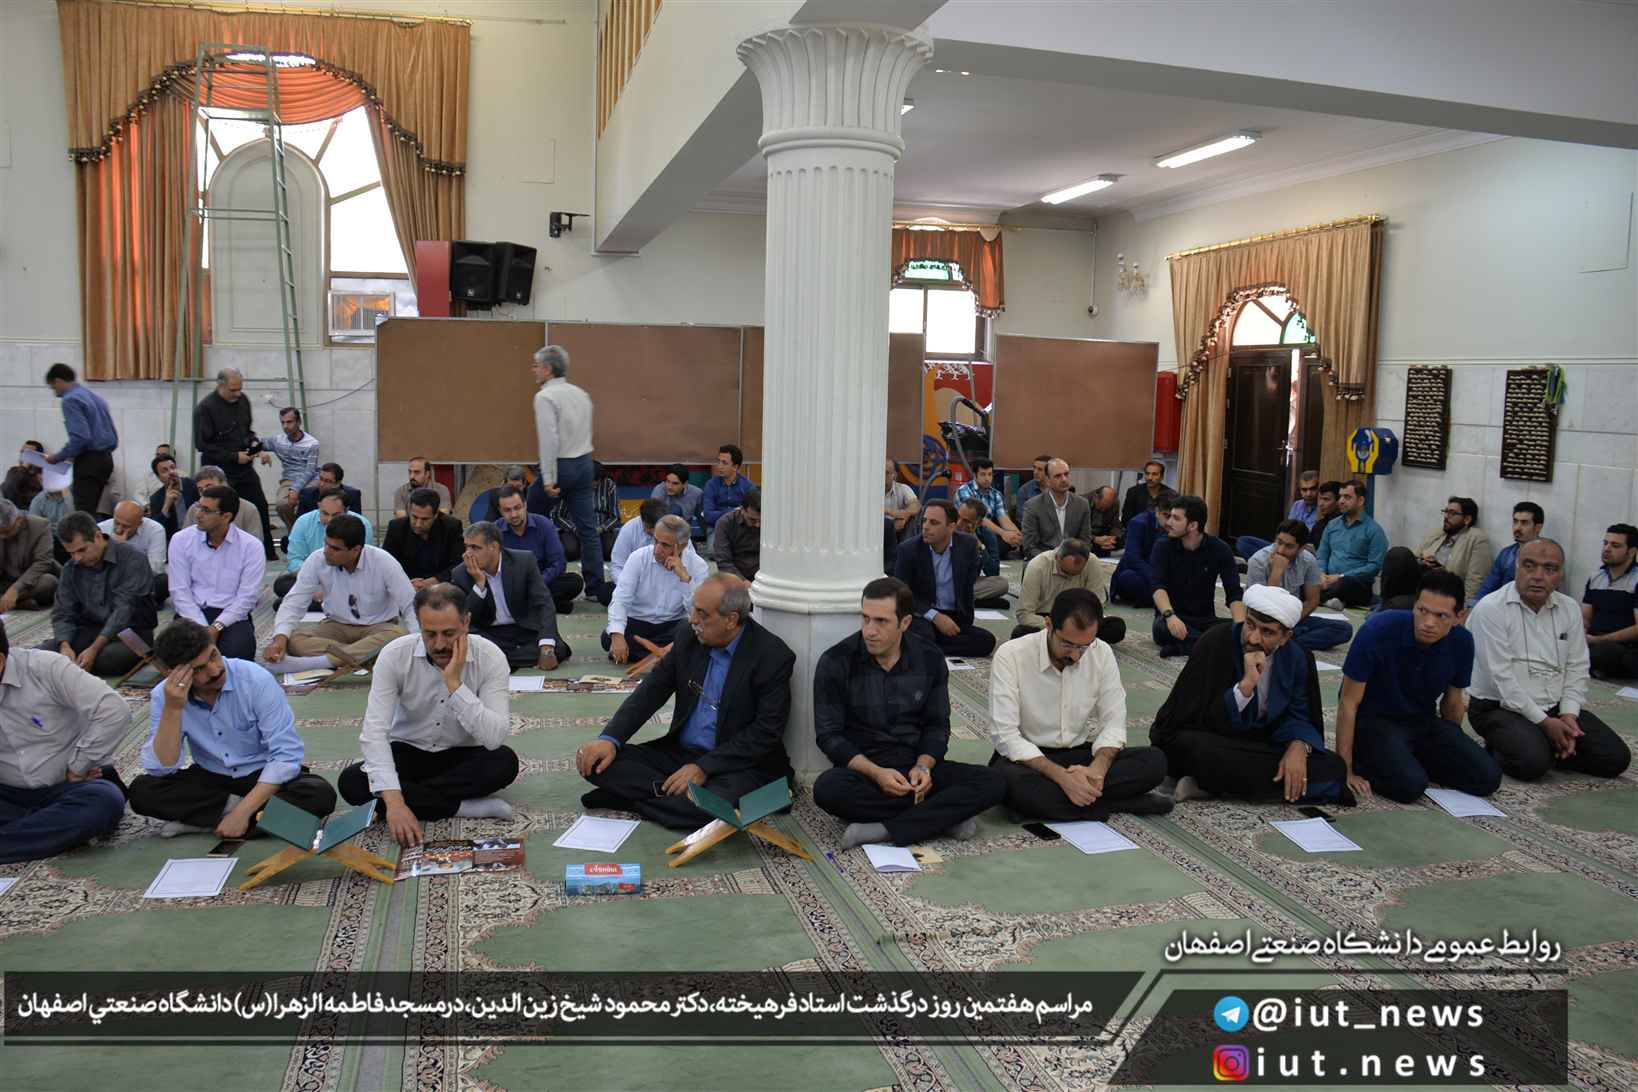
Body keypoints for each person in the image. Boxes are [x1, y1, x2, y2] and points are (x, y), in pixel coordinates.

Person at [578, 574, 795, 828]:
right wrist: (610, 739)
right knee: (595, 761)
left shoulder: (772, 655)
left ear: (731, 620)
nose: (693, 619)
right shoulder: (688, 637)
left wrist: (704, 768)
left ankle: (637, 798)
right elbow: (651, 692)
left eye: (702, 614)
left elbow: (765, 732)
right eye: (694, 609)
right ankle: (669, 795)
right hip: (680, 755)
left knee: (711, 807)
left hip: (738, 765)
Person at [813, 577, 1006, 847]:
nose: (869, 631)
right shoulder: (836, 661)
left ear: (904, 623)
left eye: (881, 621)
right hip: (866, 771)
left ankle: (886, 829)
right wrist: (877, 773)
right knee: (827, 789)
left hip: (916, 765)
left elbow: (937, 725)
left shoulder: (929, 657)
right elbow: (829, 736)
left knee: (994, 781)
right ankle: (942, 817)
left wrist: (923, 766)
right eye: (865, 619)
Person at [338, 583, 520, 844]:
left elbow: (493, 738)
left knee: (504, 762)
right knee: (352, 781)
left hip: (462, 754)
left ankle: (416, 799)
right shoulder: (394, 655)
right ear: (418, 624)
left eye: (449, 633)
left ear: (466, 622)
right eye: (430, 634)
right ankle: (461, 807)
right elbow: (374, 733)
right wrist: (395, 804)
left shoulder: (490, 657)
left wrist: (454, 684)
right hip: (409, 750)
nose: (440, 644)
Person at [128, 619, 336, 837]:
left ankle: (210, 820)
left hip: (260, 775)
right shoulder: (165, 696)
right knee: (143, 791)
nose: (215, 670)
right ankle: (252, 821)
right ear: (174, 673)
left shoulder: (255, 679)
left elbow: (285, 756)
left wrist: (242, 812)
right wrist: (173, 709)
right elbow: (161, 768)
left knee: (318, 795)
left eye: (213, 655)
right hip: (211, 777)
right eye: (199, 669)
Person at [1152, 585, 1350, 805]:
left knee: (1333, 766)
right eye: (1250, 625)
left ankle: (1214, 786)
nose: (1254, 638)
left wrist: (1299, 745)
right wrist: (1245, 687)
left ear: (1285, 637)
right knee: (1198, 751)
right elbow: (1190, 718)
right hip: (1213, 739)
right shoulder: (1216, 642)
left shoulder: (1297, 657)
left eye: (1267, 632)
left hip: (1260, 745)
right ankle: (1231, 783)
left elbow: (1300, 713)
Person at [988, 589, 1169, 820]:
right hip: (1029, 760)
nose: (1076, 656)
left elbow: (1113, 722)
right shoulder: (1011, 655)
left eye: (1084, 646)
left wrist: (1097, 770)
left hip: (1078, 755)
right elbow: (1006, 736)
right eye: (1067, 644)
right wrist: (1062, 778)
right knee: (1006, 783)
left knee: (1154, 761)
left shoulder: (1101, 652)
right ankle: (1119, 802)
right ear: (1049, 624)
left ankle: (1060, 803)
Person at [1468, 539, 1630, 782]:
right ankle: (1514, 746)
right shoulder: (1491, 609)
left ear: (1560, 574)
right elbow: (1501, 679)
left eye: (1550, 569)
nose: (1538, 576)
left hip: (1553, 705)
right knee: (1532, 764)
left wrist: (1569, 716)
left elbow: (1577, 666)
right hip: (1498, 706)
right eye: (1529, 566)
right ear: (1516, 567)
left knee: (1615, 758)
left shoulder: (1569, 609)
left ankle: (1547, 745)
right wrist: (1544, 723)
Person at [1334, 569, 1501, 803]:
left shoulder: (1462, 641)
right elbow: (1348, 703)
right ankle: (1375, 759)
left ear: (1459, 617)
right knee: (1411, 786)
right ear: (1414, 606)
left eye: (1441, 616)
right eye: (1423, 611)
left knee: (1488, 777)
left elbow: (1453, 702)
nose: (1428, 623)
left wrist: (1451, 745)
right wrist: (1345, 768)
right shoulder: (1378, 630)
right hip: (1374, 721)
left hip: (1421, 720)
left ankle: (1404, 759)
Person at [0, 618, 130, 863]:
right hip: (8, 794)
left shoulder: (44, 668)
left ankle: (20, 835)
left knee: (104, 800)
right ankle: (37, 831)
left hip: (68, 787)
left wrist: (79, 765)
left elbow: (114, 710)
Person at [266, 514, 417, 670]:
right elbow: (294, 602)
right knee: (293, 640)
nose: (327, 551)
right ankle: (364, 656)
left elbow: (409, 605)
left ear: (356, 550)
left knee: (399, 637)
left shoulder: (383, 561)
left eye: (335, 549)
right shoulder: (317, 559)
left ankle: (319, 662)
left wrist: (418, 643)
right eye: (326, 544)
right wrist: (279, 638)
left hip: (378, 627)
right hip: (337, 625)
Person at [532, 344, 606, 600]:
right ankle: (595, 588)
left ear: (548, 369)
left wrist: (549, 478)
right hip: (585, 463)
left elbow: (549, 440)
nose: (534, 370)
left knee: (530, 521)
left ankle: (531, 577)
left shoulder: (544, 397)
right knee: (588, 529)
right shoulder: (581, 394)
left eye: (536, 366)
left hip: (560, 466)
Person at [49, 511, 158, 677]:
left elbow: (124, 610)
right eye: (71, 553)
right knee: (44, 654)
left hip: (132, 632)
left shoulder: (133, 559)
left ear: (98, 537)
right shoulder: (71, 568)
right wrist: (65, 645)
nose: (77, 558)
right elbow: (63, 611)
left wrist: (94, 649)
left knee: (107, 660)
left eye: (81, 550)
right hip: (90, 630)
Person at [449, 521, 569, 669]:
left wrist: (546, 648)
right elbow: (466, 617)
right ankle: (509, 658)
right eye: (466, 546)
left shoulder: (523, 561)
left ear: (494, 546)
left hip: (524, 627)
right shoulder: (460, 573)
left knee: (557, 649)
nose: (468, 554)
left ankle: (499, 660)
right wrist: (479, 584)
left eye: (475, 547)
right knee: (468, 646)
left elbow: (544, 603)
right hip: (489, 633)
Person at [166, 486, 265, 662]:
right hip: (191, 613)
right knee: (179, 657)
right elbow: (179, 591)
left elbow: (247, 597)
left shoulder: (251, 546)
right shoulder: (181, 540)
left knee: (237, 657)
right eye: (198, 507)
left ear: (226, 516)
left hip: (232, 616)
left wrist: (216, 627)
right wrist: (203, 628)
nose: (198, 515)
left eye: (206, 510)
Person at [894, 500, 998, 659]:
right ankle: (928, 645)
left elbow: (969, 584)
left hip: (954, 615)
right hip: (922, 615)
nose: (925, 527)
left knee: (986, 641)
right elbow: (902, 595)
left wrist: (960, 619)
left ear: (951, 527)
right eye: (924, 520)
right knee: (923, 633)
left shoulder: (967, 545)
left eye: (934, 523)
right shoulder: (908, 549)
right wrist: (935, 616)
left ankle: (928, 647)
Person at [193, 368, 276, 555]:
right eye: (233, 390)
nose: (237, 393)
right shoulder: (205, 408)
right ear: (220, 385)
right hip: (219, 470)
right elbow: (202, 444)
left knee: (260, 506)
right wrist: (233, 456)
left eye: (240, 389)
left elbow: (247, 432)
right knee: (222, 510)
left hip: (244, 468)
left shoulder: (242, 400)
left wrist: (257, 448)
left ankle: (265, 551)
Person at [603, 515, 708, 662]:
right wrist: (617, 636)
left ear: (682, 546)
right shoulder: (638, 558)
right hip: (638, 622)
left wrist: (685, 580)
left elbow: (698, 613)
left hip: (672, 625)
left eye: (665, 545)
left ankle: (658, 655)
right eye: (656, 541)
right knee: (609, 637)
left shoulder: (698, 565)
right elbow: (621, 599)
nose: (657, 550)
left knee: (693, 632)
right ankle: (669, 656)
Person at [1151, 494, 1244, 656]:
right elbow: (1157, 587)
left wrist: (1240, 628)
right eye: (1169, 516)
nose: (1168, 522)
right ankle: (1211, 646)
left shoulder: (1220, 549)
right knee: (1160, 628)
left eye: (1176, 518)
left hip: (1206, 620)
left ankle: (1187, 647)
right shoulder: (1162, 546)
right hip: (1172, 617)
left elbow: (1234, 593)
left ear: (1193, 525)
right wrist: (1170, 616)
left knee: (1239, 629)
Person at [1244, 520, 1352, 651]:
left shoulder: (1308, 560)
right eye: (1279, 542)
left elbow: (1313, 600)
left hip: (1293, 619)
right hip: (1262, 622)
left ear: (1301, 548)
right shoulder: (1258, 561)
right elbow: (1260, 608)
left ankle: (1287, 642)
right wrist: (1277, 572)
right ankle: (1285, 642)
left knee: (1344, 629)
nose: (1281, 550)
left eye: (1289, 546)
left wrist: (1290, 622)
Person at [1013, 538, 1125, 645]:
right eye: (1065, 572)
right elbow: (1024, 613)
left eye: (1075, 574)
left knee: (1116, 628)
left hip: (1079, 617)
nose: (1069, 577)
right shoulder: (1037, 566)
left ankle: (1064, 639)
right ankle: (1076, 638)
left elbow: (1096, 604)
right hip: (1047, 619)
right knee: (1021, 633)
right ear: (1057, 557)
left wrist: (1082, 623)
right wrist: (1060, 627)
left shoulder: (1092, 562)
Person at [493, 482, 583, 613]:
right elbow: (491, 568)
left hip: (540, 581)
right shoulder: (494, 531)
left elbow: (559, 563)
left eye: (517, 508)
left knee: (574, 582)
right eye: (507, 510)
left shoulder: (544, 525)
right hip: (511, 585)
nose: (513, 514)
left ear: (525, 505)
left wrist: (536, 582)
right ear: (500, 511)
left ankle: (526, 604)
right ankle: (547, 604)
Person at [43, 362, 119, 518]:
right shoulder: (95, 398)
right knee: (91, 511)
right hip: (105, 459)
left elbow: (80, 437)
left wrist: (57, 457)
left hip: (88, 462)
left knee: (83, 514)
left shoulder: (70, 399)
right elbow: (112, 435)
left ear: (58, 381)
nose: (55, 393)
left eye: (53, 387)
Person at [1392, 496, 1493, 609]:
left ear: (1467, 519)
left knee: (1397, 604)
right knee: (1398, 555)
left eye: (1452, 513)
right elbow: (1414, 556)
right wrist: (1422, 561)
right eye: (1445, 512)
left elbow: (1475, 580)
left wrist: (1464, 609)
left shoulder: (1476, 538)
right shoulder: (1438, 533)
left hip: (1443, 593)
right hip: (1420, 582)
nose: (1446, 516)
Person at [278, 488, 376, 600]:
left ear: (347, 510)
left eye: (336, 515)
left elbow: (363, 563)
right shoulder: (303, 522)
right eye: (325, 513)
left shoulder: (362, 524)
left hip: (347, 579)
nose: (330, 520)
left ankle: (318, 600)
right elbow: (295, 559)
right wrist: (315, 579)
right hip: (313, 578)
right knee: (281, 584)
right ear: (318, 506)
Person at [1315, 479, 1388, 609]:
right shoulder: (1332, 525)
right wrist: (1321, 574)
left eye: (1347, 497)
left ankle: (1318, 598)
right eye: (1340, 497)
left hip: (1356, 584)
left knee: (1344, 584)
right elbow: (1322, 555)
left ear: (1360, 501)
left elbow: (1374, 566)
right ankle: (1327, 599)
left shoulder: (1374, 531)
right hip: (1328, 580)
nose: (1341, 501)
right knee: (1304, 577)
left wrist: (1340, 577)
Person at [1583, 523, 1638, 680]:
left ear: (1631, 551)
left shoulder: (1636, 580)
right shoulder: (1596, 577)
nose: (1607, 549)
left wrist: (1599, 640)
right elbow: (1585, 617)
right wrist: (1581, 635)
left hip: (1626, 647)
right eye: (1605, 543)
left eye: (1615, 545)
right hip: (1595, 641)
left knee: (1603, 654)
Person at [383, 487, 465, 590]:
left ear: (436, 515)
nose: (418, 524)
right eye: (414, 517)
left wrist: (434, 581)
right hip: (405, 585)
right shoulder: (396, 528)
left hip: (442, 587)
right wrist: (406, 582)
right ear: (409, 511)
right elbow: (387, 563)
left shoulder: (451, 527)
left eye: (425, 519)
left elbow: (459, 564)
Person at [1235, 470, 1321, 559]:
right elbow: (1286, 530)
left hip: (1300, 552)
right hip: (1283, 546)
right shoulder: (1297, 505)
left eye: (1313, 489)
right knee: (1243, 542)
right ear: (1300, 490)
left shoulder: (1322, 509)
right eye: (1304, 490)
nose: (1308, 494)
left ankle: (1270, 562)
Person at [1111, 489, 1174, 607]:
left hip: (1163, 575)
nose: (1170, 521)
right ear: (1157, 511)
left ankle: (1160, 597)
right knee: (1128, 578)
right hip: (1141, 572)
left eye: (1174, 517)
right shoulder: (1138, 523)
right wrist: (1158, 580)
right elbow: (1133, 559)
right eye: (1166, 515)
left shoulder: (1177, 525)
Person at [1021, 458, 1093, 560]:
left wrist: (1073, 559)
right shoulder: (1032, 506)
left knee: (1094, 562)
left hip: (1074, 560)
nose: (1064, 479)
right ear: (1047, 480)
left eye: (1066, 474)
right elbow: (1029, 547)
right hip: (1043, 560)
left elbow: (1085, 541)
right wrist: (1054, 560)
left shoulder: (1082, 504)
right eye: (1058, 476)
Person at [100, 499, 168, 604]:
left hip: (139, 582)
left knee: (162, 581)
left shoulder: (155, 530)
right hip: (111, 582)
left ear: (139, 523)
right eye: (116, 523)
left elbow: (156, 569)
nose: (119, 529)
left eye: (126, 526)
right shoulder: (101, 529)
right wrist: (114, 548)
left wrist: (123, 549)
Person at [1474, 502, 1545, 602]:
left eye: (1524, 523)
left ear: (1538, 527)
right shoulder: (1506, 554)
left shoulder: (1547, 555)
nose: (1517, 527)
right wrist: (1473, 606)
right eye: (1515, 522)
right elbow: (1488, 586)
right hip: (1503, 605)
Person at [266, 405, 320, 535]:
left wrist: (295, 489)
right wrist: (260, 453)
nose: (285, 426)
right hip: (289, 479)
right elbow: (255, 443)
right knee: (281, 505)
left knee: (308, 498)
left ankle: (309, 532)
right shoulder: (278, 440)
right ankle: (296, 532)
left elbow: (310, 470)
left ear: (298, 422)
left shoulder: (312, 443)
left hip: (310, 479)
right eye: (283, 422)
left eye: (289, 422)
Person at [956, 458, 1023, 558]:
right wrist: (1003, 533)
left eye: (990, 474)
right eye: (983, 474)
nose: (987, 478)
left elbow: (1004, 519)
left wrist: (1017, 535)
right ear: (975, 475)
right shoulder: (964, 491)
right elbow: (980, 520)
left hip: (987, 535)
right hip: (967, 532)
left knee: (1011, 540)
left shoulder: (996, 494)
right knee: (999, 542)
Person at [0, 498, 60, 611]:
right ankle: (20, 603)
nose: (2, 537)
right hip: (4, 581)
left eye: (6, 532)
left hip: (30, 583)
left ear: (19, 520)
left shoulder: (40, 526)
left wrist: (16, 589)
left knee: (49, 582)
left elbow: (43, 562)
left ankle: (13, 600)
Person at [954, 498, 1012, 608]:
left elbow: (993, 572)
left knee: (1002, 584)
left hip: (970, 582)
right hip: (949, 580)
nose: (958, 523)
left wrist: (978, 544)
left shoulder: (986, 534)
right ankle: (972, 600)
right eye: (958, 517)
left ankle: (961, 598)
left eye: (966, 521)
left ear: (978, 523)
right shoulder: (949, 528)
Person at [185, 466, 265, 543]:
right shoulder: (194, 509)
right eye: (200, 489)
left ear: (224, 484)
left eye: (209, 487)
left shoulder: (248, 509)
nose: (205, 492)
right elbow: (186, 538)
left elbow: (255, 541)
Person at [609, 498, 664, 586]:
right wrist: (626, 587)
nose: (654, 532)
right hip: (635, 582)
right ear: (642, 521)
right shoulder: (628, 530)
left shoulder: (674, 528)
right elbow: (617, 566)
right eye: (651, 528)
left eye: (657, 527)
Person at [712, 488, 762, 581]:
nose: (758, 525)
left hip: (763, 577)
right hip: (735, 577)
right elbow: (723, 562)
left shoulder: (773, 523)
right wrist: (743, 582)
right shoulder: (725, 523)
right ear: (742, 510)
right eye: (752, 520)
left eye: (761, 520)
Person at [702, 444, 756, 530]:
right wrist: (735, 511)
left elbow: (751, 515)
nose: (719, 466)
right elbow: (708, 516)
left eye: (724, 463)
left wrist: (719, 513)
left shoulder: (747, 486)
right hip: (716, 528)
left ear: (735, 467)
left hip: (740, 529)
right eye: (719, 461)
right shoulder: (711, 485)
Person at [147, 453, 199, 538]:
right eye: (164, 471)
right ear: (158, 477)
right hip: (175, 538)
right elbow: (155, 529)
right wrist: (166, 506)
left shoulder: (193, 485)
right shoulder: (156, 498)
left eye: (172, 467)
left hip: (197, 533)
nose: (171, 472)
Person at [651, 464, 705, 538]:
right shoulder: (658, 492)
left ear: (685, 484)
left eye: (675, 483)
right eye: (668, 481)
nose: (669, 487)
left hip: (683, 535)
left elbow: (703, 520)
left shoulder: (697, 494)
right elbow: (652, 521)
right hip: (662, 533)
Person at [296, 463, 363, 517]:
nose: (322, 484)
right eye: (321, 479)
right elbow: (300, 521)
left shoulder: (352, 495)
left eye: (327, 481)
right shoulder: (306, 494)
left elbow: (357, 521)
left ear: (338, 483)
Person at [29, 484, 73, 562]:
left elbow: (81, 518)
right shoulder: (38, 500)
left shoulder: (75, 495)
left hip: (74, 535)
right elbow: (35, 528)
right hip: (52, 540)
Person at [1120, 460, 1167, 526]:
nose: (1150, 478)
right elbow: (1126, 518)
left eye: (1154, 474)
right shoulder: (1133, 492)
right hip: (1136, 529)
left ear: (1162, 477)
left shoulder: (1171, 495)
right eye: (1147, 473)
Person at [2, 441, 45, 511]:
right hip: (12, 512)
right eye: (22, 452)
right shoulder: (14, 471)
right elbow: (8, 491)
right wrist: (24, 467)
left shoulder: (44, 476)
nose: (23, 456)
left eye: (29, 454)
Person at [884, 458, 920, 540]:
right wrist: (891, 523)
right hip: (877, 531)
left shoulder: (902, 488)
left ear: (894, 475)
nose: (882, 476)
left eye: (886, 473)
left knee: (912, 520)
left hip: (899, 533)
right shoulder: (869, 491)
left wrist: (904, 516)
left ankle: (907, 548)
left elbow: (916, 506)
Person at [1012, 454, 1052, 524]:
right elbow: (1021, 518)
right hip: (1033, 528)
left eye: (1040, 469)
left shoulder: (1057, 488)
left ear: (1049, 472)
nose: (1035, 472)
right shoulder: (1024, 490)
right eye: (1034, 468)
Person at [1085, 486, 1123, 557]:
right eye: (1101, 507)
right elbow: (1077, 531)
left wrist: (1113, 538)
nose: (1103, 510)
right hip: (1088, 537)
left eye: (1107, 508)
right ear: (1096, 498)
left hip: (1103, 535)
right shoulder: (1082, 502)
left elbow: (1115, 524)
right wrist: (1095, 539)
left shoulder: (1114, 503)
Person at [1309, 480, 1342, 550]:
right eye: (1320, 499)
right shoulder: (1318, 526)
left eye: (1326, 499)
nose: (1320, 504)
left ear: (1339, 501)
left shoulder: (1347, 526)